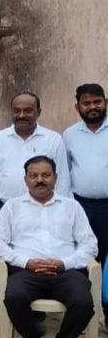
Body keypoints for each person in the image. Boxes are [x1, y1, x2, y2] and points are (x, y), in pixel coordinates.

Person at [0, 155, 97, 338]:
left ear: (55, 178)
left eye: (46, 175)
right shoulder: (12, 207)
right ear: (25, 179)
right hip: (27, 271)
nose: (40, 180)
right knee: (14, 298)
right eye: (34, 175)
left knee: (83, 302)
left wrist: (64, 263)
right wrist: (25, 262)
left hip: (65, 271)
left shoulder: (72, 207)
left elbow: (90, 245)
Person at [0, 92, 71, 331]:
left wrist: (65, 213)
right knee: (3, 261)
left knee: (38, 256)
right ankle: (4, 312)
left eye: (28, 110)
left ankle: (35, 316)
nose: (21, 115)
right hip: (6, 208)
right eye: (17, 110)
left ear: (38, 112)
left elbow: (63, 181)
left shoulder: (53, 139)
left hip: (43, 208)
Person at [63, 83, 108, 324]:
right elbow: (65, 172)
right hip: (81, 206)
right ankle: (80, 315)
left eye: (97, 102)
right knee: (81, 259)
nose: (92, 107)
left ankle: (107, 314)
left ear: (105, 103)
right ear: (77, 106)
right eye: (86, 103)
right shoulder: (69, 135)